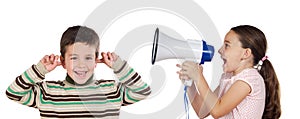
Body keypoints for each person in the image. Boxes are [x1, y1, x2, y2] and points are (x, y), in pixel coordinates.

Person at [6, 25, 151, 118]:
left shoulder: (111, 90)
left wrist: (119, 67)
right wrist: (40, 69)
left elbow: (142, 92)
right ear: (63, 62)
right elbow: (13, 92)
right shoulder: (47, 92)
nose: (81, 65)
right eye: (74, 58)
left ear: (96, 61)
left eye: (88, 58)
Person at [176, 25, 281, 118]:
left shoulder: (249, 79)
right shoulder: (227, 78)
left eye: (227, 45)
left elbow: (217, 111)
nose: (220, 50)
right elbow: (202, 111)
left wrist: (199, 77)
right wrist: (191, 84)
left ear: (246, 53)